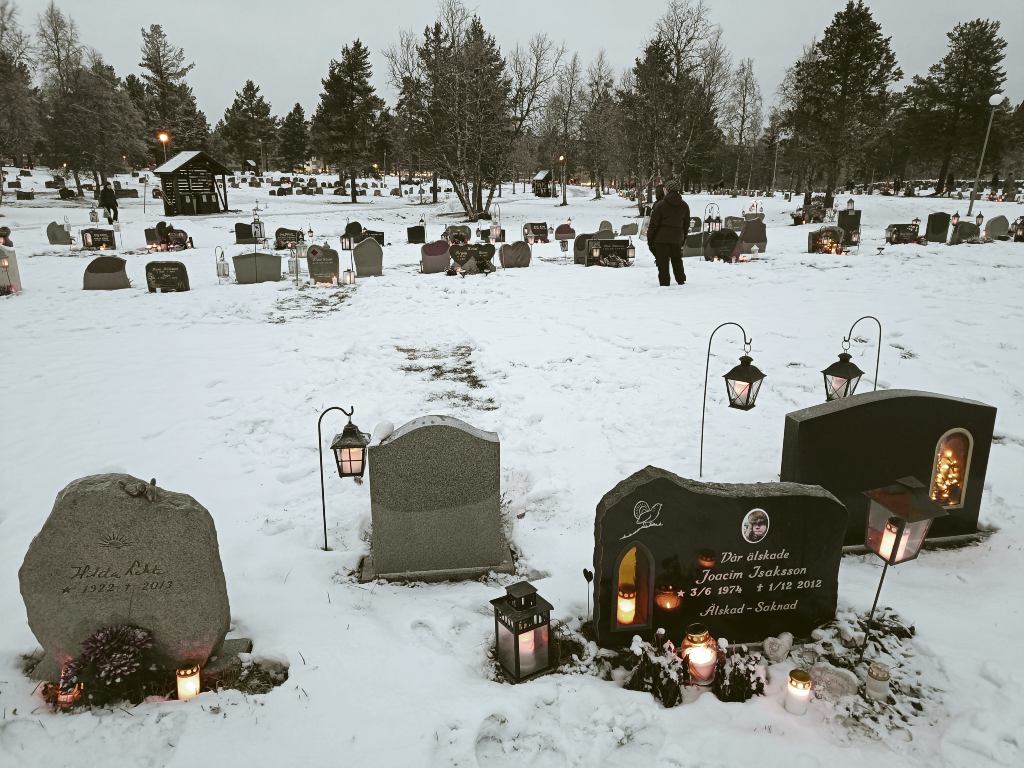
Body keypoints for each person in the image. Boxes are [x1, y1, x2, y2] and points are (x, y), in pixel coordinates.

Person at [646, 178, 689, 286]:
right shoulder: (684, 206)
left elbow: (653, 224)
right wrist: (683, 238)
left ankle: (664, 284)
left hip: (661, 239)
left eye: (665, 188)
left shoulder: (660, 205)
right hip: (677, 238)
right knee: (677, 260)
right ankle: (681, 280)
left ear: (668, 190)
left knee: (662, 262)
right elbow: (686, 225)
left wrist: (650, 238)